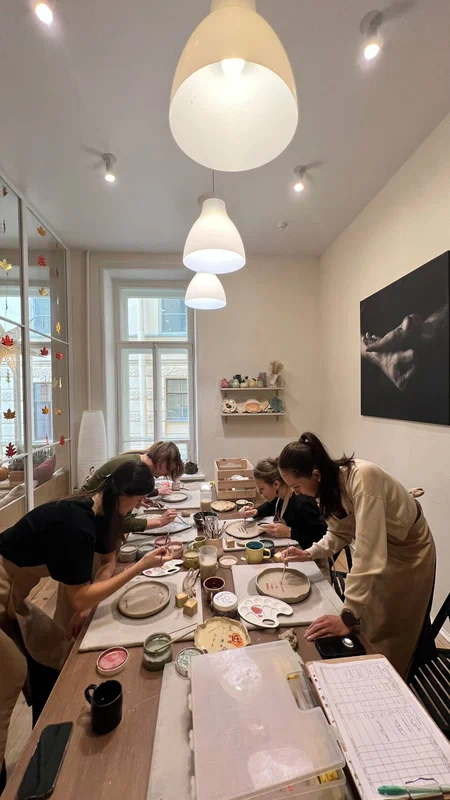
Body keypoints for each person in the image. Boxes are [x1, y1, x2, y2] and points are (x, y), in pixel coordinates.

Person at [0, 460, 172, 791]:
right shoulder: (75, 522)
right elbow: (78, 598)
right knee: (11, 674)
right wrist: (137, 569)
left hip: (14, 594)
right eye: (137, 500)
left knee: (52, 650)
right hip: (3, 584)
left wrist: (89, 598)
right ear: (122, 494)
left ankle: (45, 735)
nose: (139, 507)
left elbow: (107, 562)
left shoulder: (103, 513)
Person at [278, 433, 436, 679]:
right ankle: (369, 667)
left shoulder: (363, 477)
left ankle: (391, 680)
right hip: (383, 547)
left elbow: (367, 553)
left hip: (409, 552)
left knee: (395, 623)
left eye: (297, 486)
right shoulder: (328, 487)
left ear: (316, 474)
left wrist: (347, 616)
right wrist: (309, 553)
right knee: (370, 615)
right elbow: (338, 532)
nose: (296, 493)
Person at [80, 441, 184, 534]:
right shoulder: (135, 469)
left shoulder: (138, 460)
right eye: (169, 469)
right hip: (85, 515)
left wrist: (137, 500)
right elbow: (124, 524)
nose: (166, 474)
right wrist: (160, 521)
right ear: (161, 460)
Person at [237, 457, 326, 547]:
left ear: (276, 484)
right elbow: (270, 506)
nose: (259, 492)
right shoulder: (280, 496)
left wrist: (289, 532)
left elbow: (321, 536)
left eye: (262, 488)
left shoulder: (302, 504)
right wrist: (255, 511)